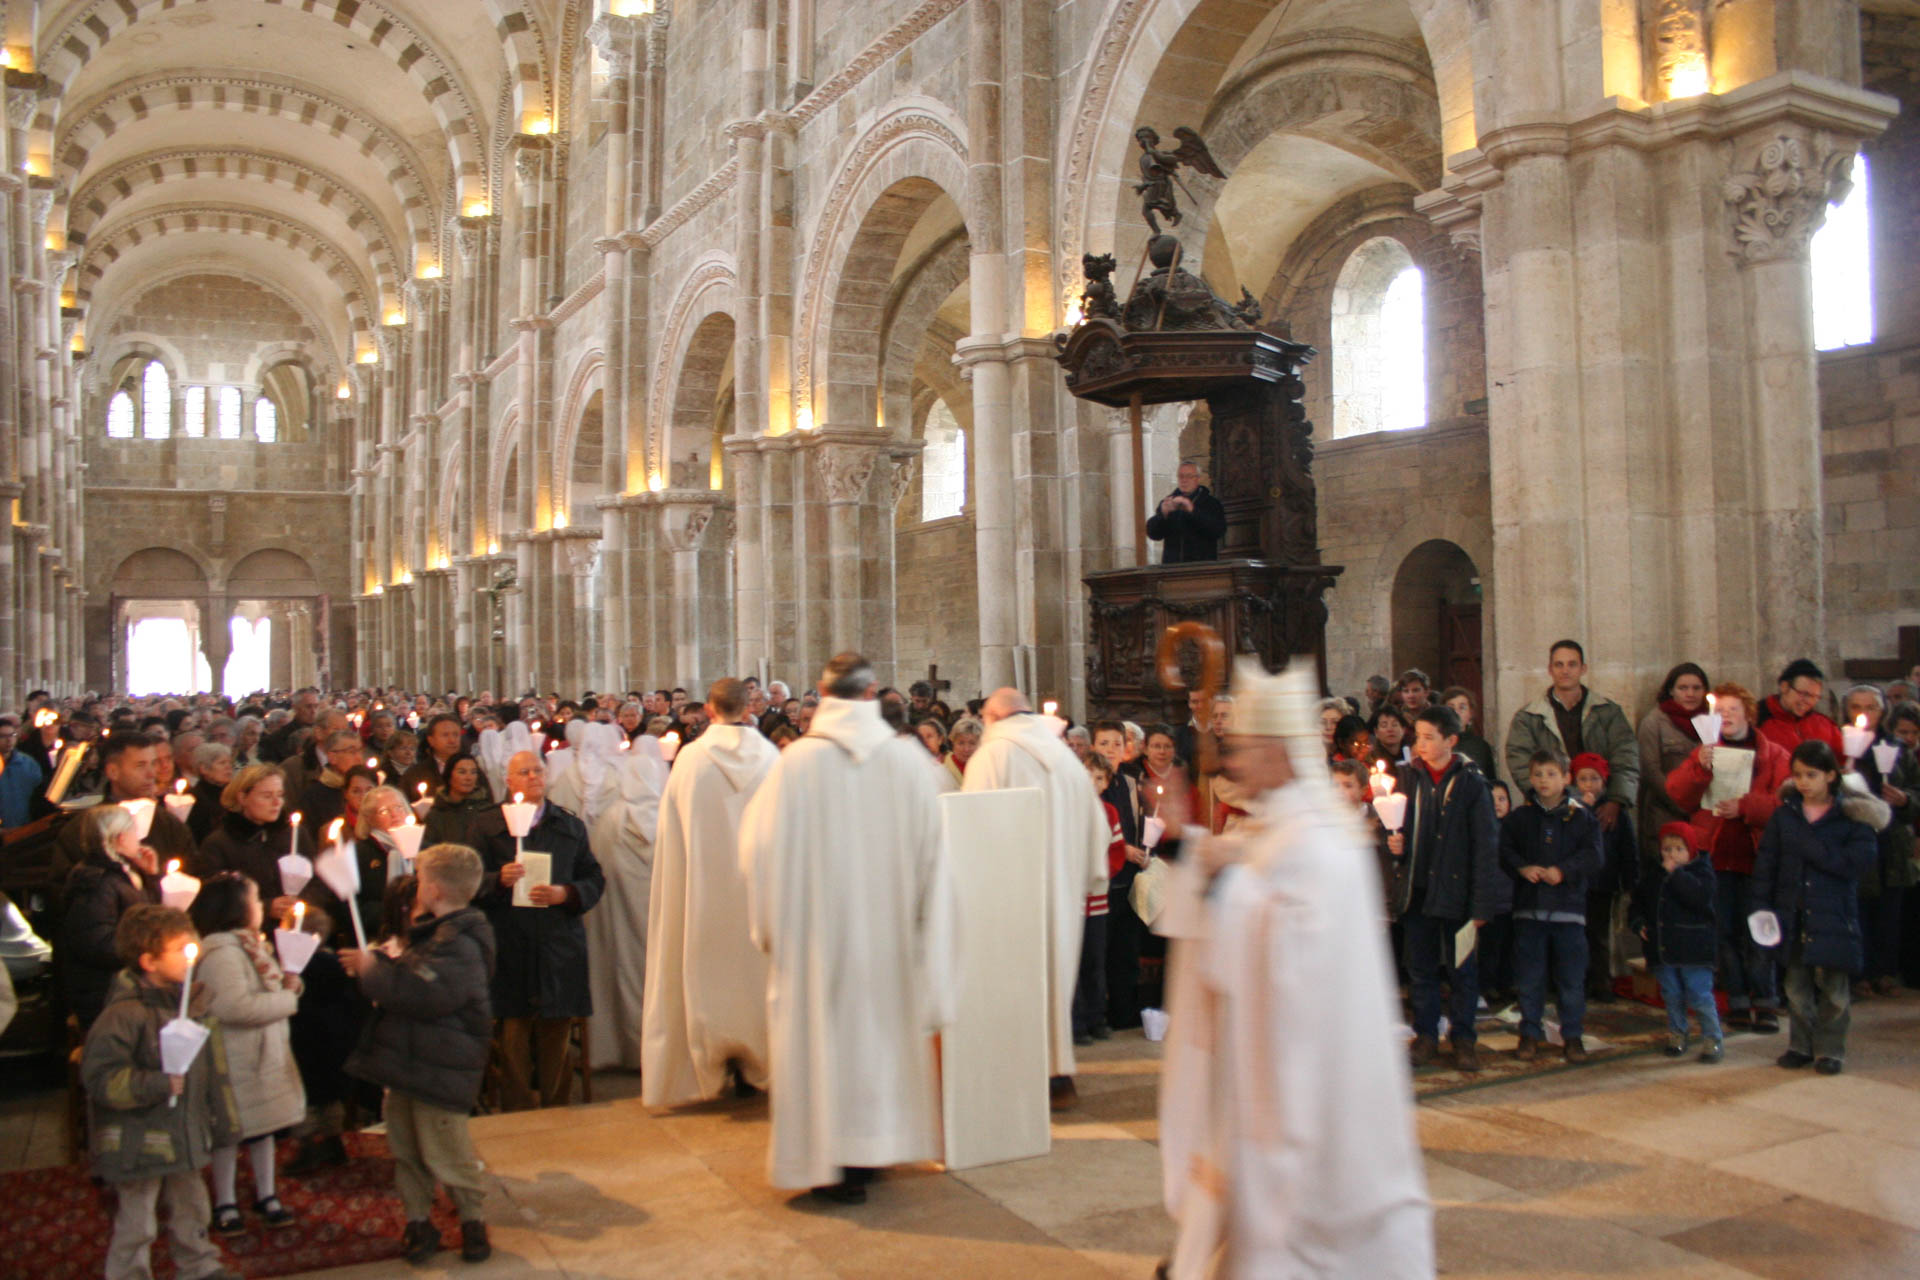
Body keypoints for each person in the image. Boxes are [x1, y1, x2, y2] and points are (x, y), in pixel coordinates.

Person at [1154, 658, 1432, 1278]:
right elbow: (1249, 880)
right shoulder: (1285, 825)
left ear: (1279, 752)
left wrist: (1223, 881)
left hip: (1310, 1092)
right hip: (1267, 1076)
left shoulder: (1322, 843)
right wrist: (1191, 849)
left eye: (1245, 749)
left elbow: (1282, 943)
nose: (1233, 763)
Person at [739, 653, 959, 1204]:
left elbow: (757, 852)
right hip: (888, 941)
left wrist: (770, 926)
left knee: (823, 1049)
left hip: (815, 942)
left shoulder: (796, 764)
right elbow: (938, 857)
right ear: (871, 695)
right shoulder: (908, 763)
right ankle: (873, 1148)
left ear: (822, 692)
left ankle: (830, 1163)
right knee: (878, 1045)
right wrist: (930, 933)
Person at [340, 843, 497, 1266]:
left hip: (442, 1064)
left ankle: (472, 1219)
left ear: (437, 890)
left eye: (423, 881)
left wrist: (371, 968)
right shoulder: (435, 931)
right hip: (410, 1059)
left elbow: (426, 992)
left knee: (448, 1150)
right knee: (406, 1147)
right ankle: (417, 1220)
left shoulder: (461, 941)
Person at [963, 688, 1110, 1110]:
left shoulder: (992, 757)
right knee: (1056, 980)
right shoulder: (1067, 760)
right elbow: (1097, 832)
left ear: (993, 717)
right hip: (1062, 895)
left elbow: (972, 829)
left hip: (1008, 898)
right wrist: (1080, 877)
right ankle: (1057, 1076)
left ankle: (1017, 1082)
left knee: (1014, 985)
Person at [82, 904, 244, 1280]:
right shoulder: (124, 1015)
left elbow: (213, 1072)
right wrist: (155, 1083)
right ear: (149, 961)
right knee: (137, 1219)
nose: (192, 954)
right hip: (140, 1140)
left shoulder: (194, 1006)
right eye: (180, 948)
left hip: (184, 1132)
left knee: (192, 1208)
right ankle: (128, 1274)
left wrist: (224, 1122)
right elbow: (100, 1077)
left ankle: (199, 1267)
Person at [643, 677, 779, 1106]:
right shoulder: (774, 759)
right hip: (758, 899)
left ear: (709, 711)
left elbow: (671, 835)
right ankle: (761, 1067)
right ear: (748, 708)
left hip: (701, 900)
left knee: (704, 979)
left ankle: (710, 1069)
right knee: (756, 980)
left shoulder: (692, 760)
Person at [471, 751, 605, 1110]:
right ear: (508, 780)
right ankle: (517, 1111)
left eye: (538, 770)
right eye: (524, 772)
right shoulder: (486, 825)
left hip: (557, 940)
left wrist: (567, 893)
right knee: (514, 1029)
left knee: (556, 1027)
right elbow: (467, 880)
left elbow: (593, 877)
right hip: (509, 939)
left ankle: (556, 1107)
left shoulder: (568, 825)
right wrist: (496, 879)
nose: (533, 777)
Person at [1754, 741, 1885, 1075]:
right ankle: (1801, 1044)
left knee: (1834, 990)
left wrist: (1817, 850)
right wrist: (1761, 904)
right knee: (1795, 987)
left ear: (1830, 775)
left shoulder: (1850, 816)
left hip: (1832, 913)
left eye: (1811, 774)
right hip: (1793, 912)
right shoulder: (1786, 816)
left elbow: (1860, 862)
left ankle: (1830, 1049)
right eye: (1797, 775)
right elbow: (1768, 862)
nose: (1803, 782)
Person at [1386, 705, 1505, 1072]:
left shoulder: (1471, 783)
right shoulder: (1407, 777)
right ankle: (1425, 1035)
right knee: (1420, 969)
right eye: (1417, 736)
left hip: (1458, 893)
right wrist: (1395, 843)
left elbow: (1486, 846)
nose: (1419, 744)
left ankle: (1464, 1037)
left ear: (1450, 741)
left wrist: (1482, 905)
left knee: (1461, 971)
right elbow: (1392, 824)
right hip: (1419, 890)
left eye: (1427, 737)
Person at [1664, 683, 1789, 1032]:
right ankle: (1736, 999)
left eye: (1733, 710)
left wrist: (1747, 807)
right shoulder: (1705, 751)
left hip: (1756, 858)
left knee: (1759, 931)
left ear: (1748, 714)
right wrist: (1698, 769)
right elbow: (1679, 796)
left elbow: (1786, 804)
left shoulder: (1774, 755)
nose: (1726, 717)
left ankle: (1765, 1001)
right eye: (1719, 712)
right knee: (1723, 931)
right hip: (1715, 856)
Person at [188, 873, 303, 1235]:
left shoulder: (249, 945)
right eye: (254, 900)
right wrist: (287, 1000)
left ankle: (266, 1194)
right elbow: (233, 1007)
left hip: (259, 1054)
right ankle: (225, 1201)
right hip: (235, 1057)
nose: (260, 906)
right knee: (231, 1131)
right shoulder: (222, 953)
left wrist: (289, 983)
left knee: (263, 1128)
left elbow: (262, 988)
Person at [1499, 750, 1604, 1062]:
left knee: (1571, 978)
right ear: (1530, 779)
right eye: (1538, 775)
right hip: (1529, 909)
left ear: (1566, 778)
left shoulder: (1582, 817)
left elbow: (1594, 856)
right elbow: (1504, 850)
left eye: (1551, 774)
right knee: (1530, 977)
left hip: (1568, 911)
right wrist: (1521, 867)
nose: (1544, 781)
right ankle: (1529, 1033)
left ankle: (1572, 1035)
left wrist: (1564, 871)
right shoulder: (1520, 818)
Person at [581, 727, 665, 1071]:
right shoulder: (668, 817)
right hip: (660, 920)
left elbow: (599, 869)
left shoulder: (612, 820)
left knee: (623, 976)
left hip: (619, 922)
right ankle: (661, 1051)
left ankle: (626, 1049)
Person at [1504, 641, 1640, 823]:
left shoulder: (1607, 712)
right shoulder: (1529, 717)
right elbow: (1520, 762)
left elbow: (1626, 755)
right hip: (1551, 809)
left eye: (1572, 664)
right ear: (1550, 669)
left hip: (1603, 808)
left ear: (1583, 669)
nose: (1565, 671)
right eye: (1559, 664)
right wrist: (1551, 798)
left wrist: (1616, 800)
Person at [1840, 685, 1919, 998]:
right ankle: (1858, 972)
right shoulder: (1840, 744)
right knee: (1858, 908)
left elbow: (1916, 788)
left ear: (1882, 711)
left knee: (1889, 910)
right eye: (1856, 707)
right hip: (1855, 835)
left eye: (1870, 707)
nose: (1863, 714)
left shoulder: (1898, 748)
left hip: (1891, 839)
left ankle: (1884, 970)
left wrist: (1904, 800)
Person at [60, 803, 163, 1030]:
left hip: (125, 986)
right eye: (133, 831)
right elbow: (97, 943)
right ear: (118, 839)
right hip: (104, 994)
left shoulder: (121, 873)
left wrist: (151, 876)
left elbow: (152, 915)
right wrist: (145, 950)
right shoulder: (95, 882)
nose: (139, 838)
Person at [1631, 823, 1723, 1062]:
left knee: (1699, 994)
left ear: (1691, 851)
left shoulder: (1702, 873)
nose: (1671, 855)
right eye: (1667, 849)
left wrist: (1676, 874)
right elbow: (1638, 903)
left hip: (1694, 949)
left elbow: (1699, 898)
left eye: (1678, 849)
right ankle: (1677, 1033)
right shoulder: (1653, 876)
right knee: (1671, 993)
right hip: (1663, 949)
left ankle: (1712, 1038)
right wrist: (1638, 923)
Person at [53, 731, 196, 881]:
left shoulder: (168, 823)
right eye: (140, 766)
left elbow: (192, 871)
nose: (151, 774)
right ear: (113, 772)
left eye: (152, 764)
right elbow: (65, 886)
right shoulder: (84, 828)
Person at [195, 763, 320, 915]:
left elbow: (318, 881)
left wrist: (302, 903)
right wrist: (265, 907)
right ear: (242, 798)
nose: (277, 803)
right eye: (267, 796)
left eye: (280, 795)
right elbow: (215, 901)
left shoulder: (295, 834)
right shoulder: (218, 844)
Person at [1637, 663, 1711, 862]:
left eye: (1696, 688)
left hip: (1705, 814)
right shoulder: (1654, 722)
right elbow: (1650, 770)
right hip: (1666, 811)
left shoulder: (1712, 722)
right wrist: (1681, 801)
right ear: (1671, 690)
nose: (1690, 693)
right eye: (1683, 688)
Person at [1144, 461, 1227, 563]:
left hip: (1202, 567)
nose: (1184, 480)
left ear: (1198, 478)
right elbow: (1153, 534)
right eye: (1181, 476)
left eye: (1189, 476)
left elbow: (1218, 531)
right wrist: (1163, 514)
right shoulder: (1169, 502)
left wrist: (1193, 511)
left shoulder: (1211, 503)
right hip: (1172, 568)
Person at [1757, 659, 1844, 756]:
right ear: (1784, 687)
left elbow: (1845, 759)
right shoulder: (1757, 718)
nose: (1809, 702)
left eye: (1815, 697)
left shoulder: (1824, 724)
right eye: (1804, 694)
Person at [422, 752, 495, 848]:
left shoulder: (487, 811)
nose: (469, 778)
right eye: (462, 772)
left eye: (473, 772)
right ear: (449, 776)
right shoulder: (435, 815)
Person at [0, 716, 44, 829]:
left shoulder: (28, 764)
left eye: (12, 735)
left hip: (25, 829)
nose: (9, 740)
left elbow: (39, 795)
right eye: (3, 736)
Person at [1441, 687, 1495, 778]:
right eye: (1451, 708)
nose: (1456, 712)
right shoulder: (1436, 743)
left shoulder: (1481, 746)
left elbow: (1490, 781)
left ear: (1471, 714)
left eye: (1462, 708)